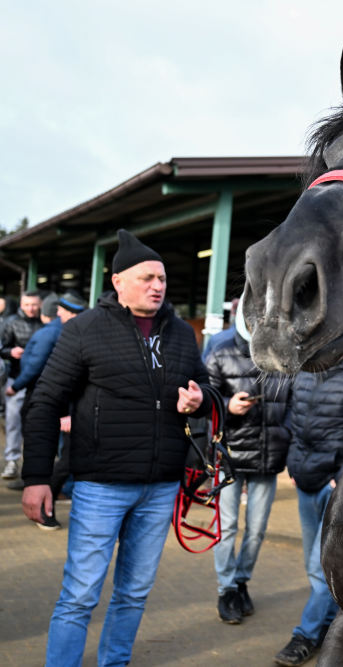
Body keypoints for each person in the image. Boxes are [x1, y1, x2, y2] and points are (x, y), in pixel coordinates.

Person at [20, 229, 209, 667]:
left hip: (161, 487)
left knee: (135, 592)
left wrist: (202, 399)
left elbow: (210, 387)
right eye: (147, 277)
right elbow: (45, 401)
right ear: (118, 280)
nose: (157, 285)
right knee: (80, 594)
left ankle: (115, 662)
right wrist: (36, 479)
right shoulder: (86, 329)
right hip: (99, 486)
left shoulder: (181, 333)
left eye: (162, 278)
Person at [275, 352, 343, 666]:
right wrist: (293, 462)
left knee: (319, 570)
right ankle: (330, 624)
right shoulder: (304, 372)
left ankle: (306, 635)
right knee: (315, 568)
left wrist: (342, 479)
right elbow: (293, 418)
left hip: (334, 489)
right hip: (305, 481)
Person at [204, 314, 291, 625]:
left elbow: (293, 403)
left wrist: (288, 443)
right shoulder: (219, 351)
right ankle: (226, 589)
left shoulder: (283, 354)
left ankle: (241, 581)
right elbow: (203, 401)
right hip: (229, 454)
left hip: (267, 456)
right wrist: (227, 405)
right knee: (226, 528)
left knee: (256, 530)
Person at [6, 292, 87, 498]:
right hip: (54, 397)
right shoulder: (62, 331)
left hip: (50, 396)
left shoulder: (57, 333)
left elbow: (36, 365)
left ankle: (55, 487)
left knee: (58, 446)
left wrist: (16, 386)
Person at [1, 289, 43, 479]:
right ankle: (12, 461)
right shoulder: (11, 324)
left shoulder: (46, 323)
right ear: (21, 305)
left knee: (38, 422)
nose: (31, 308)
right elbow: (2, 349)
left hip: (41, 382)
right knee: (13, 422)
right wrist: (11, 352)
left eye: (34, 304)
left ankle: (35, 464)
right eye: (27, 304)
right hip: (17, 379)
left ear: (40, 304)